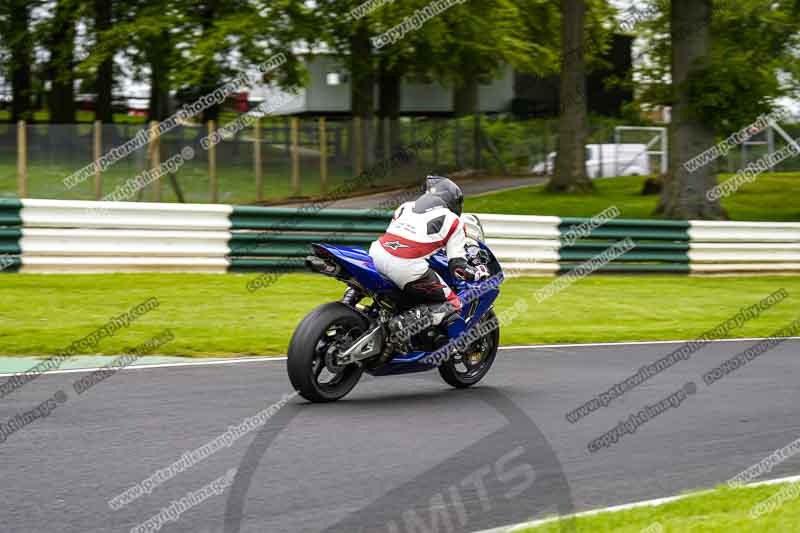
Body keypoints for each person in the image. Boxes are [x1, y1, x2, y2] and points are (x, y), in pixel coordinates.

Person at [369, 176, 490, 338]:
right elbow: (458, 267)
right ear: (453, 201)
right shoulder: (454, 221)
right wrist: (477, 272)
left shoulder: (405, 207)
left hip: (375, 254)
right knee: (452, 304)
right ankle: (402, 326)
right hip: (405, 266)